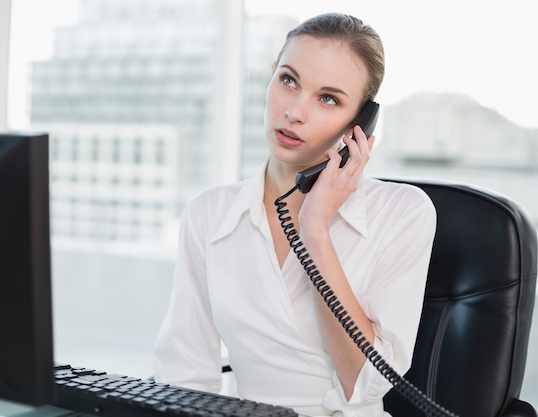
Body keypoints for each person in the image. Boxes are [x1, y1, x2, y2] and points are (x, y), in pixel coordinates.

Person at [153, 12, 437, 417]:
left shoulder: (403, 213)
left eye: (328, 98)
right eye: (289, 80)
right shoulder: (209, 214)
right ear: (270, 79)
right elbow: (183, 376)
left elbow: (364, 385)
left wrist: (315, 229)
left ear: (359, 123)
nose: (295, 112)